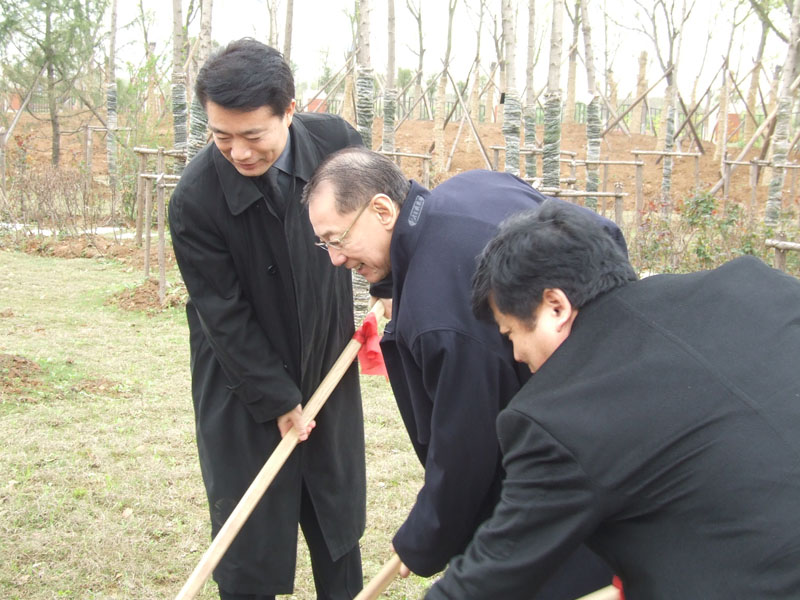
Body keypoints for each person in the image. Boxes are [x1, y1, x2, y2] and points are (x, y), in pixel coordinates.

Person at [425, 200, 800, 599]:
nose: (516, 354)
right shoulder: (757, 287)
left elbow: (490, 576)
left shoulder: (558, 418)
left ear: (556, 306)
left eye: (511, 333)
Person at [303, 147, 624, 598]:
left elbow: (466, 446)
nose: (335, 259)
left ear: (382, 209)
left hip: (572, 454)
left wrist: (424, 538)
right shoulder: (470, 186)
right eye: (325, 244)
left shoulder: (437, 314)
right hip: (611, 386)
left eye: (337, 239)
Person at [168, 39, 365, 600]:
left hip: (327, 357)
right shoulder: (195, 200)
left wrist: (389, 284)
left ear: (290, 110)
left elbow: (378, 220)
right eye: (220, 135)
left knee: (335, 518)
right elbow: (221, 315)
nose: (238, 151)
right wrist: (276, 399)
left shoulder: (337, 144)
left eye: (253, 135)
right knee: (248, 539)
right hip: (241, 379)